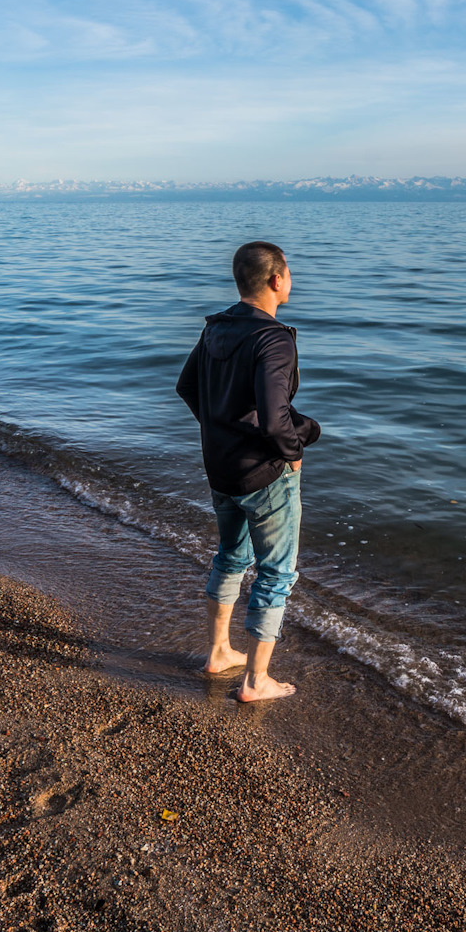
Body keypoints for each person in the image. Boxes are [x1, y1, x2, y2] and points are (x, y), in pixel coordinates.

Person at [175, 240, 320, 702]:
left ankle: (219, 652)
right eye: (289, 273)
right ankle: (256, 680)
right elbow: (277, 420)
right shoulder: (272, 338)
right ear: (277, 280)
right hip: (264, 474)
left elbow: (187, 386)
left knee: (231, 557)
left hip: (220, 469)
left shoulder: (216, 327)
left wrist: (222, 432)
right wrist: (294, 450)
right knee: (276, 573)